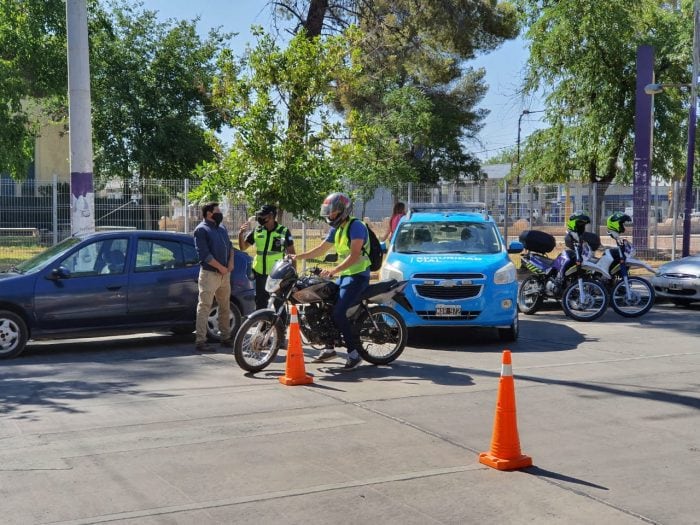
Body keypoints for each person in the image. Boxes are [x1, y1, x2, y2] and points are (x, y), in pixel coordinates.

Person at [292, 192, 370, 370]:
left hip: (357, 276)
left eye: (332, 212)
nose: (329, 215)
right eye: (328, 212)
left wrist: (334, 270)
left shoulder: (356, 226)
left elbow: (355, 254)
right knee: (323, 304)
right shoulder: (337, 228)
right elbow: (321, 249)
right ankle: (329, 347)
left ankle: (354, 354)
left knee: (338, 312)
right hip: (344, 276)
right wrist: (297, 256)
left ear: (342, 211)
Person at [193, 202, 234, 352]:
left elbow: (230, 247)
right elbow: (204, 255)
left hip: (225, 275)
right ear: (209, 213)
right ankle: (201, 341)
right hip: (209, 274)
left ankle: (226, 338)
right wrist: (221, 267)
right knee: (204, 306)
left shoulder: (221, 228)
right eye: (217, 210)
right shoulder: (201, 230)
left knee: (225, 306)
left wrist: (230, 264)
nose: (220, 212)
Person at [238, 204, 295, 310]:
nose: (260, 218)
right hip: (260, 273)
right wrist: (241, 234)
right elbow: (243, 247)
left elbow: (292, 254)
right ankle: (262, 326)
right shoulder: (257, 230)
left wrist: (293, 274)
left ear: (271, 216)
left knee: (278, 302)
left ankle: (280, 326)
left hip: (276, 274)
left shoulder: (283, 231)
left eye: (263, 215)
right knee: (260, 303)